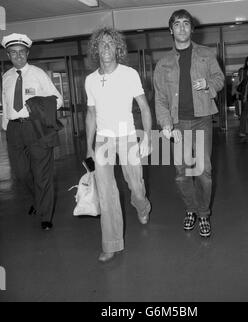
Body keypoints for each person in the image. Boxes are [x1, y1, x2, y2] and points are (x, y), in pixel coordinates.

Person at [154, 9, 224, 237]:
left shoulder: (206, 53)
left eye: (186, 23)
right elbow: (160, 98)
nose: (182, 28)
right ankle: (191, 210)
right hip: (177, 125)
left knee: (203, 171)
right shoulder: (163, 63)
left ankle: (204, 213)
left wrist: (208, 85)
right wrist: (165, 124)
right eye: (177, 24)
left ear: (192, 28)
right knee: (182, 173)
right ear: (171, 30)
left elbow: (220, 79)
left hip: (202, 120)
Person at [85, 27, 152, 262]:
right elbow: (91, 115)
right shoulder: (90, 80)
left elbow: (144, 107)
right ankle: (111, 243)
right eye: (101, 44)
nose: (106, 47)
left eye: (110, 43)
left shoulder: (129, 74)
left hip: (127, 137)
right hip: (103, 140)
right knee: (106, 192)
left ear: (117, 48)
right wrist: (88, 147)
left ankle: (142, 206)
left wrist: (147, 138)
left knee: (136, 185)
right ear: (96, 49)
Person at [1, 33, 63, 230]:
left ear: (27, 53)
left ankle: (45, 215)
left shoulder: (38, 74)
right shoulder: (6, 77)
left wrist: (37, 105)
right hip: (14, 129)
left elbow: (58, 99)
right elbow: (5, 104)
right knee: (21, 173)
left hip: (36, 127)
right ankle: (38, 200)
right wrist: (6, 126)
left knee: (42, 173)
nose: (18, 56)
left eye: (21, 52)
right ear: (7, 54)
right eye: (13, 52)